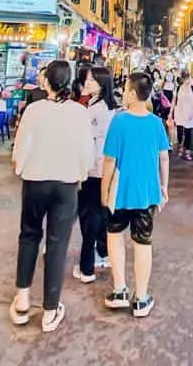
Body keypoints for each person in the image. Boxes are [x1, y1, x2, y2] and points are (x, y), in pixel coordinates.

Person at [10, 60, 94, 333]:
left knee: (29, 235)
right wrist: (80, 175)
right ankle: (49, 309)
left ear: (46, 82)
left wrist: (21, 167)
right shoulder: (79, 113)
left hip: (35, 181)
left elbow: (21, 147)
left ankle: (22, 299)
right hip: (66, 185)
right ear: (69, 84)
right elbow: (87, 152)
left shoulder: (34, 110)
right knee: (57, 244)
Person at [101, 72, 170, 318]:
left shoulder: (119, 121)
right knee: (142, 242)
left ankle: (120, 290)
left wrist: (104, 188)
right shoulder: (155, 123)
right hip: (147, 191)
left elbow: (109, 160)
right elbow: (164, 157)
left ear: (131, 93)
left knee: (115, 236)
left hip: (119, 191)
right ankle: (141, 298)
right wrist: (164, 187)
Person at [74, 67, 117, 283]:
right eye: (87, 79)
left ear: (102, 83)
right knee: (100, 215)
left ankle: (87, 267)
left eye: (92, 79)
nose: (87, 82)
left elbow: (84, 141)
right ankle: (104, 254)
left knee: (88, 217)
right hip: (103, 169)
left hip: (93, 170)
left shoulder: (95, 110)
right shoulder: (103, 106)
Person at [172, 70, 193, 160]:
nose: (187, 80)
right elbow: (174, 101)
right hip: (179, 112)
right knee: (180, 132)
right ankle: (181, 146)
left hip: (189, 113)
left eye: (188, 77)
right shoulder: (178, 89)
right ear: (182, 79)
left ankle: (187, 151)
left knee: (189, 133)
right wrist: (170, 113)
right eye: (185, 78)